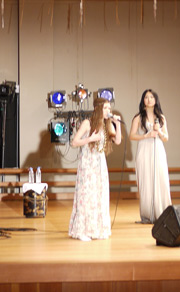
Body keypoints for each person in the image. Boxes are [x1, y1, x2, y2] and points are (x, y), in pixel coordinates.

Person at [68, 97, 122, 241]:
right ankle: (82, 231)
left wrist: (117, 124)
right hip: (88, 163)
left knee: (99, 195)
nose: (108, 111)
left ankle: (97, 230)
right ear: (98, 109)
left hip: (100, 164)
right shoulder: (88, 123)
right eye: (105, 108)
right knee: (87, 195)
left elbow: (117, 141)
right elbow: (74, 142)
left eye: (109, 108)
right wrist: (90, 139)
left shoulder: (107, 125)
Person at [129, 89, 172, 224]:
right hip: (144, 149)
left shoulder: (161, 118)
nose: (149, 99)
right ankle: (148, 215)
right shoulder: (138, 117)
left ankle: (163, 214)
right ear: (143, 100)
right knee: (146, 182)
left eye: (151, 97)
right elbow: (132, 136)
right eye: (146, 97)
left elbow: (166, 138)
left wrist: (159, 131)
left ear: (155, 100)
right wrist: (146, 135)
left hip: (158, 149)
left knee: (161, 180)